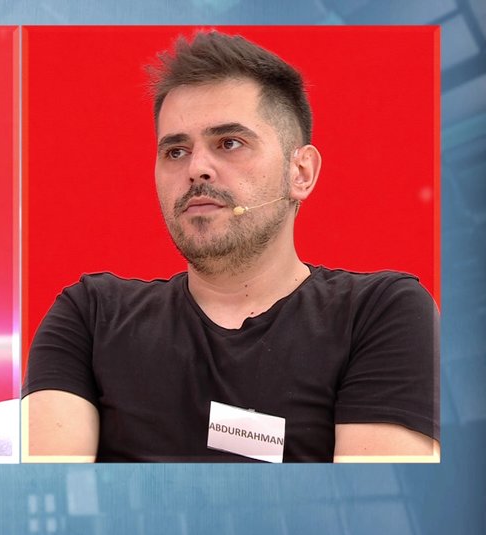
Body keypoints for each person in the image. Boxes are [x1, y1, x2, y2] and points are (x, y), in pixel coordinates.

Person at [22, 32, 440, 463]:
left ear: (300, 172)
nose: (196, 169)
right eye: (176, 151)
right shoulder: (91, 316)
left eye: (229, 143)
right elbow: (47, 494)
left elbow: (372, 501)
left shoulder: (379, 313)